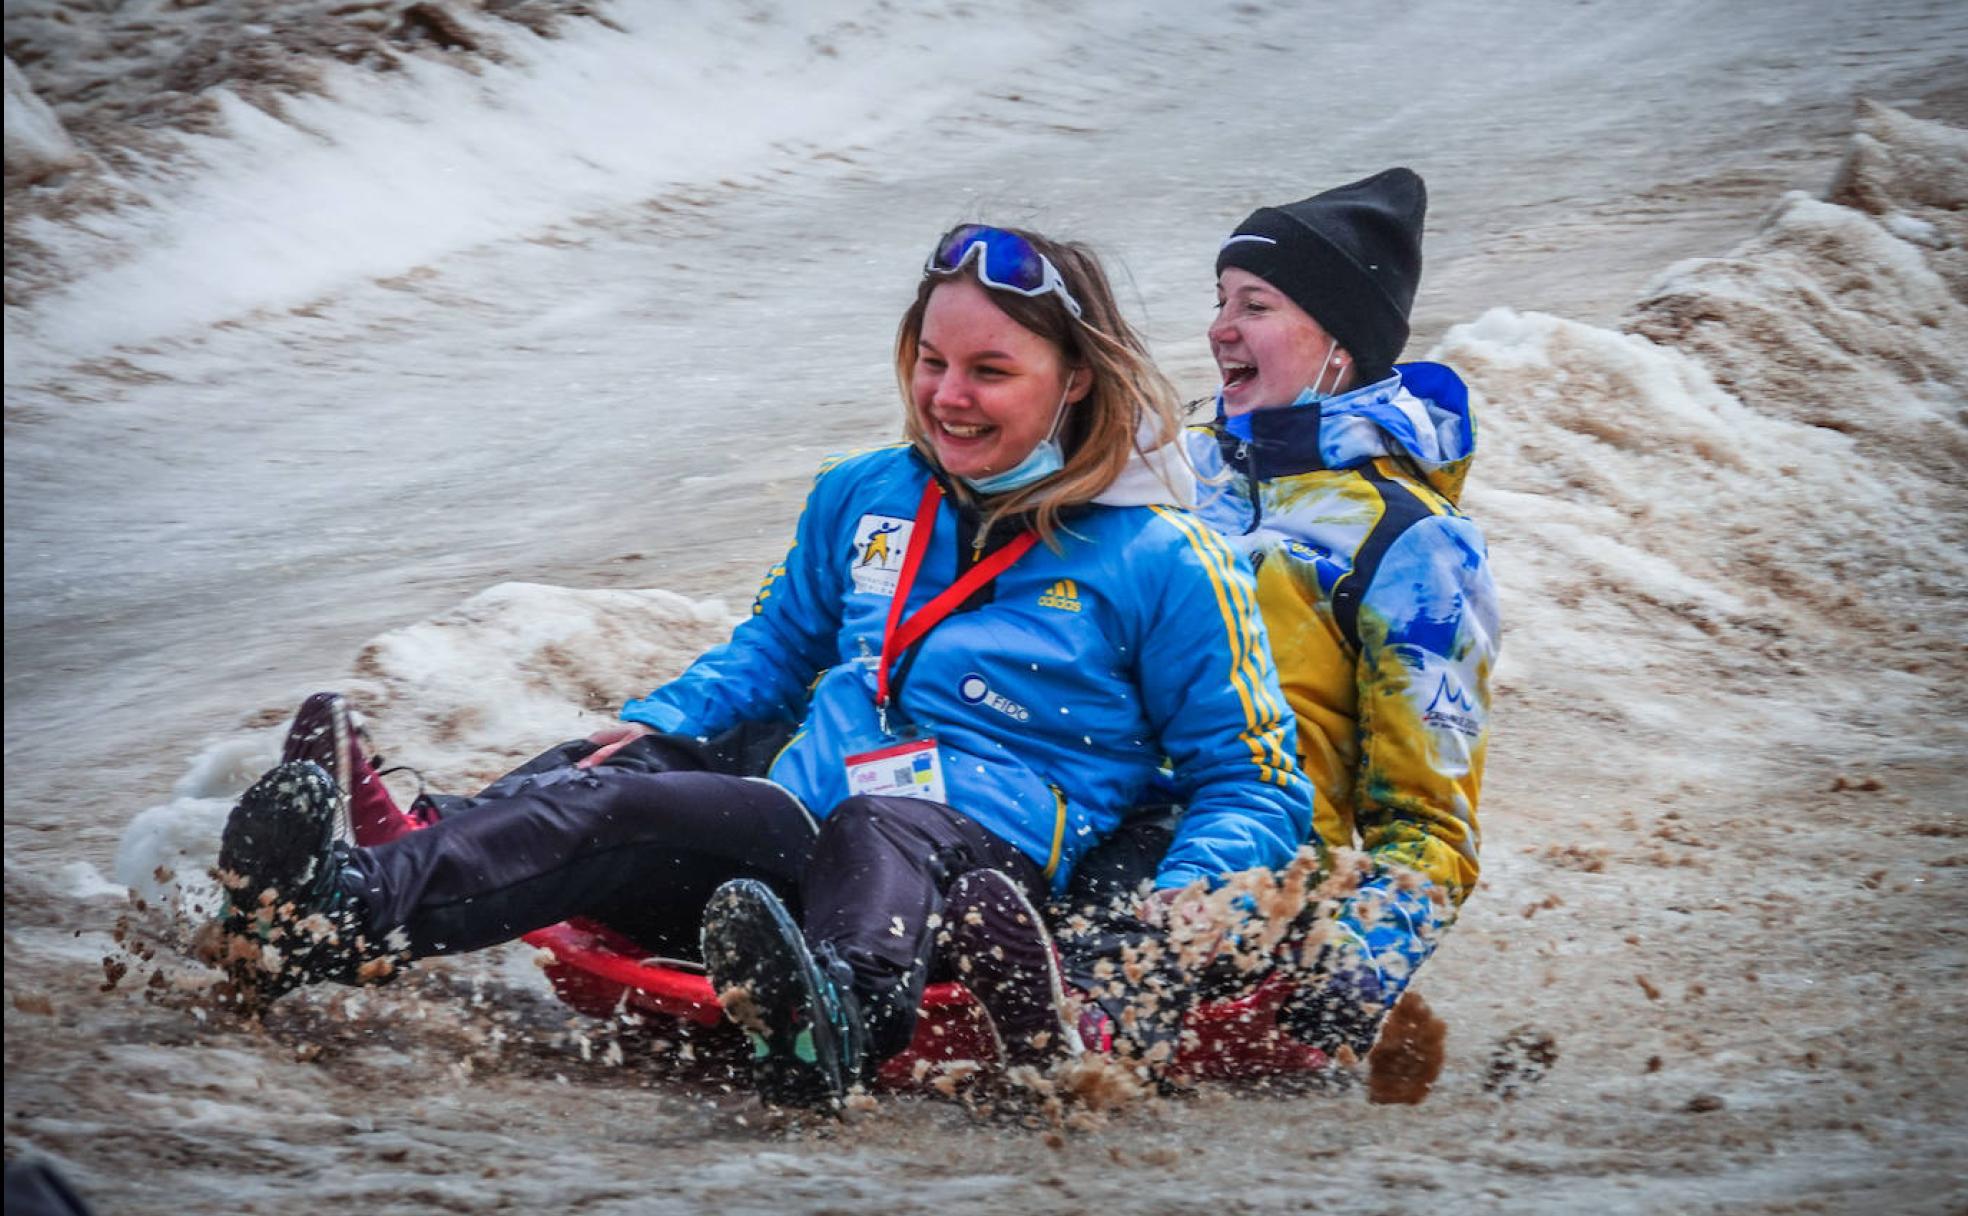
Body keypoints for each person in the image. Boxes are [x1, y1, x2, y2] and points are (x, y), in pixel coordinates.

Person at [211, 223, 1315, 1110]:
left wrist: (1158, 928)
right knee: (619, 801)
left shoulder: (1163, 559)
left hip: (983, 868)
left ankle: (836, 1014)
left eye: (990, 371)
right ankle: (334, 907)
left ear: (1075, 381)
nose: (947, 396)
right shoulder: (868, 494)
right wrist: (657, 726)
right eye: (931, 362)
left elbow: (1253, 781)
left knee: (884, 825)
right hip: (801, 828)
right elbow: (778, 651)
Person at [1057, 168, 1500, 1066]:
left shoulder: (1414, 544)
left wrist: (1355, 975)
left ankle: (1079, 1016)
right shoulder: (1165, 475)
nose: (1220, 328)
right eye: (1220, 300)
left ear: (1339, 337)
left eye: (1254, 304)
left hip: (1255, 874)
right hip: (1088, 805)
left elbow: (1429, 824)